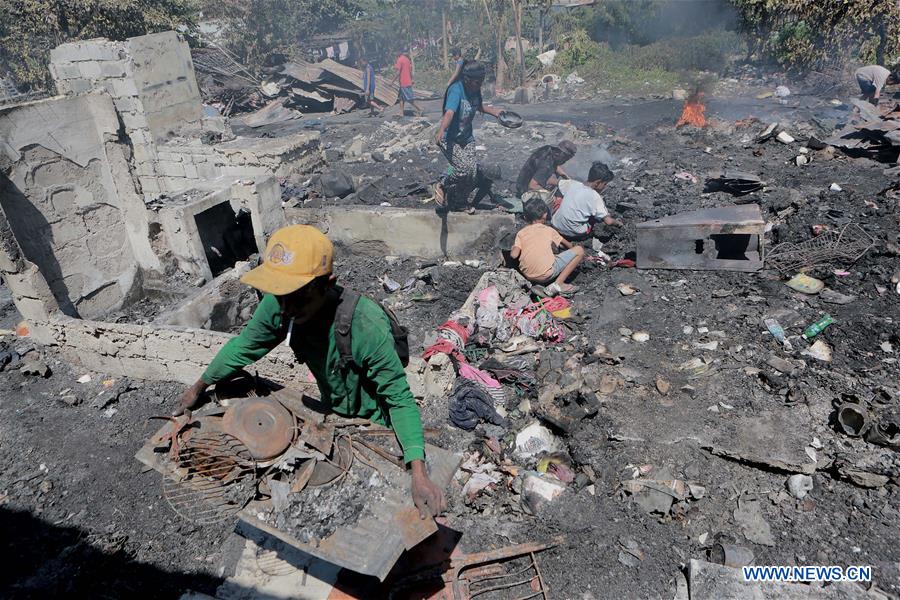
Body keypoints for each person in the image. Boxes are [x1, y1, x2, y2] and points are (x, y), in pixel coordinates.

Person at [175, 225, 445, 519]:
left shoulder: (366, 325)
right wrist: (199, 386)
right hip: (333, 410)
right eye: (279, 295)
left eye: (298, 295)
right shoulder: (280, 305)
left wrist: (418, 471)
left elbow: (399, 399)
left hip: (375, 421)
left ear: (328, 283)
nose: (287, 308)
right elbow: (243, 347)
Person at [433, 60, 504, 213]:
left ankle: (459, 203)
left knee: (471, 175)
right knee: (463, 170)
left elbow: (478, 105)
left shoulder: (475, 90)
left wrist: (495, 112)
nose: (480, 85)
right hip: (449, 138)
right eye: (477, 82)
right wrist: (441, 130)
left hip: (466, 138)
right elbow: (450, 112)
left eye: (481, 82)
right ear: (467, 79)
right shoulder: (456, 90)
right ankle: (442, 184)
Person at [511, 197, 585, 296]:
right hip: (546, 275)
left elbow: (514, 255)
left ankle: (536, 284)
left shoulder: (521, 233)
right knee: (579, 250)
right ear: (545, 215)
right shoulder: (549, 230)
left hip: (528, 275)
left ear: (525, 217)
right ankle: (559, 284)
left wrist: (514, 247)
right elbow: (569, 246)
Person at [552, 161, 622, 241]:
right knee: (596, 217)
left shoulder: (573, 183)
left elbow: (553, 181)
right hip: (573, 233)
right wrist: (619, 224)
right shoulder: (595, 196)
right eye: (604, 184)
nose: (604, 187)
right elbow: (608, 221)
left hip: (555, 225)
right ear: (597, 183)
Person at [391, 48, 423, 117]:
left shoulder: (399, 60)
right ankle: (401, 112)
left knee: (409, 99)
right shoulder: (406, 59)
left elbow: (397, 73)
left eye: (395, 53)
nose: (394, 54)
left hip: (404, 83)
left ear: (397, 53)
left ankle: (420, 109)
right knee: (401, 98)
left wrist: (392, 82)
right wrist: (411, 79)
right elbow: (410, 71)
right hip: (407, 81)